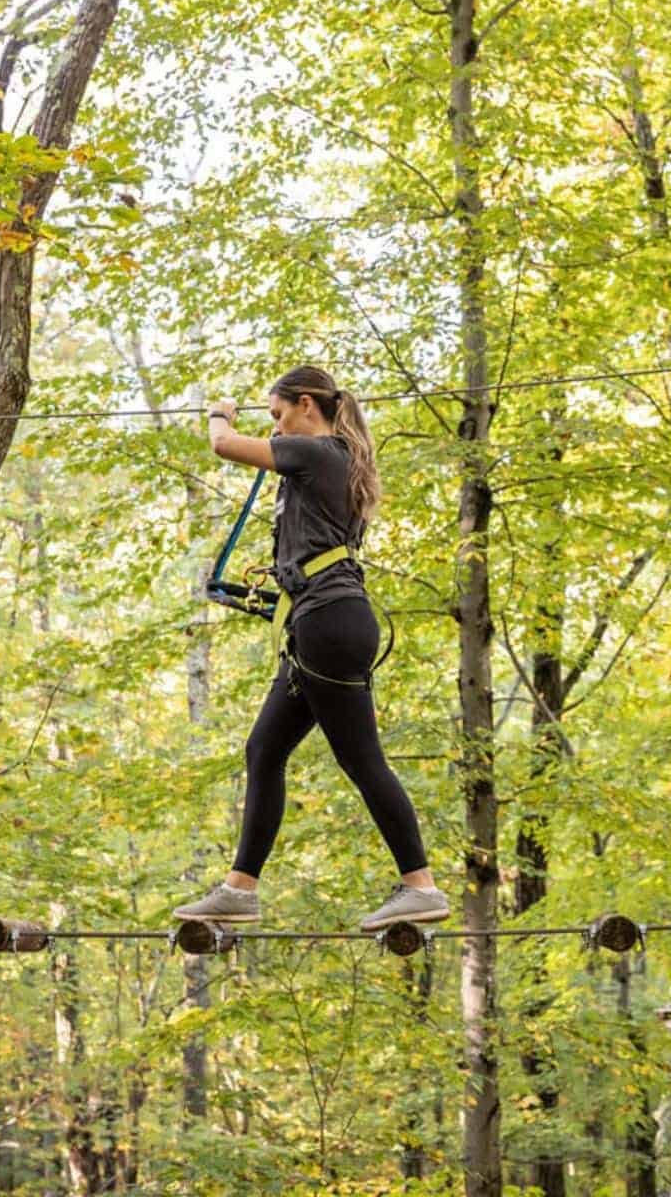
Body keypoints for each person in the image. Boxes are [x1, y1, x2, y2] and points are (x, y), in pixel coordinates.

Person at [173, 365, 448, 931]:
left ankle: (419, 885)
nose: (275, 429)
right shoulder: (324, 461)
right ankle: (240, 889)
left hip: (331, 622)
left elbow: (223, 444)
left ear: (305, 405)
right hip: (317, 622)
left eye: (277, 416)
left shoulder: (318, 451)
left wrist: (218, 412)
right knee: (264, 750)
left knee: (360, 757)